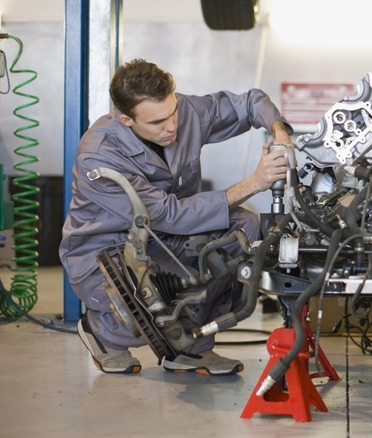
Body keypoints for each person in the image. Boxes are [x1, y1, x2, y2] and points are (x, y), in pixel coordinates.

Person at [59, 58, 293, 375]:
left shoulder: (183, 112)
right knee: (145, 315)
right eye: (157, 122)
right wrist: (255, 183)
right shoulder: (99, 154)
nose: (171, 127)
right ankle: (102, 332)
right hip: (110, 251)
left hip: (170, 238)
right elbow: (167, 214)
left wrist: (279, 130)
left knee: (243, 227)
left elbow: (249, 103)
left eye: (173, 113)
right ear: (127, 119)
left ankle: (191, 347)